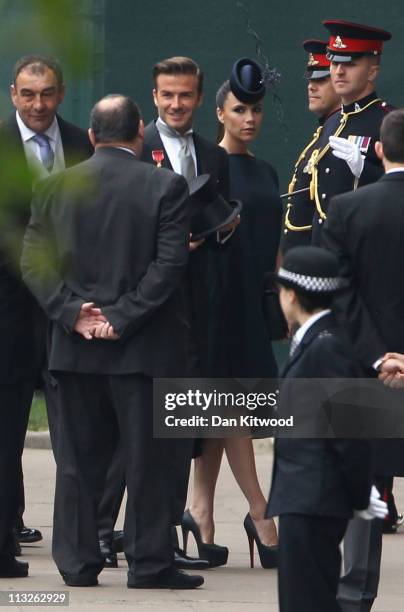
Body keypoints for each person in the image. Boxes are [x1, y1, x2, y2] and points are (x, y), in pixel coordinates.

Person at [21, 94, 204, 590]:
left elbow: (33, 262)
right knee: (148, 463)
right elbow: (168, 268)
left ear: (93, 135)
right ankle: (149, 563)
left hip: (73, 350)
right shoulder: (165, 186)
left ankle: (78, 564)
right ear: (139, 133)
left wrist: (72, 312)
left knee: (76, 465)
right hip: (142, 353)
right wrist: (120, 317)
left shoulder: (56, 187)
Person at [97, 56, 233, 570]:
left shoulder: (212, 156)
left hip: (192, 309)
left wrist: (220, 230)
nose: (177, 104)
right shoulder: (132, 151)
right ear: (153, 99)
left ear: (200, 99)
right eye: (167, 96)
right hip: (138, 309)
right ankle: (103, 531)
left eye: (185, 96)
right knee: (128, 431)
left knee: (178, 427)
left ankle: (163, 535)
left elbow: (221, 213)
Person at [183, 58, 281, 569]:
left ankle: (199, 512)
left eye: (256, 110)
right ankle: (262, 515)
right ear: (219, 112)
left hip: (255, 304)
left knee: (219, 413)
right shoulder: (206, 167)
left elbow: (276, 244)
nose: (249, 118)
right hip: (217, 303)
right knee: (229, 408)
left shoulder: (266, 170)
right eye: (239, 109)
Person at [0, 54, 92, 577]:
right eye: (28, 94)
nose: (38, 105)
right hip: (10, 313)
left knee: (79, 435)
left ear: (61, 93)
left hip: (69, 313)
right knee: (5, 434)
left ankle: (82, 548)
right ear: (14, 94)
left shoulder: (81, 143)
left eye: (48, 94)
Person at [266, 245, 386, 612]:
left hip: (314, 500)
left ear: (291, 295)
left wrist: (358, 493)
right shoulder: (319, 341)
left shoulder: (327, 348)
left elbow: (348, 432)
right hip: (304, 497)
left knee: (308, 600)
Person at [322, 108, 404, 611]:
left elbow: (339, 294)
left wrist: (378, 356)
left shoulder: (347, 210)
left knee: (366, 487)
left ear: (378, 149)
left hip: (364, 368)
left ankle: (355, 592)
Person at [309, 20, 392, 246]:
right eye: (334, 62)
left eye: (350, 63)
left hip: (364, 248)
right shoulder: (333, 121)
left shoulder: (389, 122)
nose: (339, 71)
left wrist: (365, 170)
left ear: (372, 71)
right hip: (325, 249)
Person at [281, 39, 340, 252]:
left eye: (322, 79)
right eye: (310, 78)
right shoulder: (325, 131)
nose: (311, 85)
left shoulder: (339, 133)